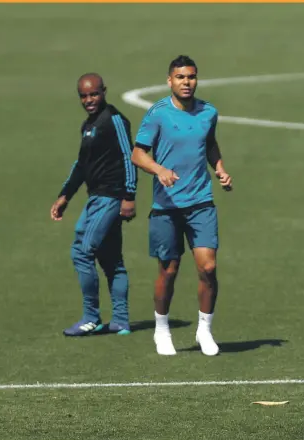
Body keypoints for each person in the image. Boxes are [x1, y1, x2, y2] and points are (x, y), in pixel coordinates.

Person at [131, 55, 232, 357]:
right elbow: (138, 154)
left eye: (191, 77)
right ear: (170, 80)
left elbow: (209, 144)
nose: (186, 83)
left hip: (201, 202)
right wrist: (159, 170)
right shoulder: (158, 114)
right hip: (166, 205)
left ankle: (205, 329)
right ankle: (161, 330)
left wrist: (220, 169)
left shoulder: (208, 112)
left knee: (209, 267)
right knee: (169, 270)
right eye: (180, 77)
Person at [52, 73, 137, 337]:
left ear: (104, 92)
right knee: (111, 259)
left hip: (110, 197)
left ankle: (91, 317)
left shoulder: (115, 120)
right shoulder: (88, 125)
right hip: (96, 197)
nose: (89, 100)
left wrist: (129, 196)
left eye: (94, 94)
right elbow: (81, 165)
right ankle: (121, 321)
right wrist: (65, 195)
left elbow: (129, 156)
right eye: (84, 96)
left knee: (82, 251)